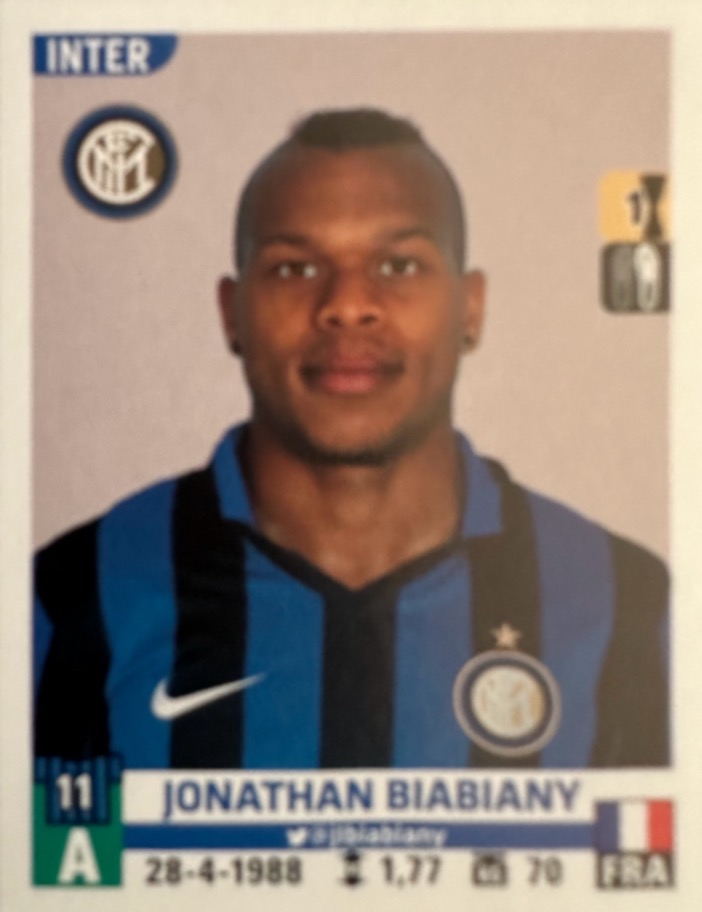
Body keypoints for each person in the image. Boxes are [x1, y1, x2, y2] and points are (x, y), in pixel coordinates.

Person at [34, 108, 668, 770]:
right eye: (295, 269)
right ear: (231, 313)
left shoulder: (625, 606)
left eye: (399, 265)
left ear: (471, 308)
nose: (346, 305)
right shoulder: (73, 598)